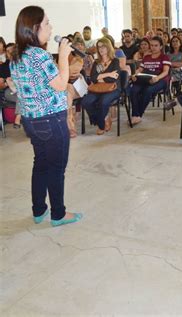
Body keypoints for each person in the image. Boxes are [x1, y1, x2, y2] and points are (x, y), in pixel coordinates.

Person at [10, 6, 82, 227]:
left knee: (40, 164)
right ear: (35, 28)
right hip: (51, 120)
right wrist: (63, 56)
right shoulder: (40, 56)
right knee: (56, 168)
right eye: (47, 24)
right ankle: (58, 214)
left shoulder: (16, 56)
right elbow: (61, 85)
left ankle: (39, 210)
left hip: (32, 121)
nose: (51, 28)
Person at [81, 38, 121, 135]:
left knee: (103, 102)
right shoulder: (96, 62)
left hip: (113, 88)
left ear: (108, 47)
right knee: (86, 102)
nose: (101, 49)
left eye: (103, 46)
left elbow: (113, 79)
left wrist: (100, 78)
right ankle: (104, 119)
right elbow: (93, 78)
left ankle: (101, 126)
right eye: (99, 47)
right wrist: (107, 74)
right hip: (98, 88)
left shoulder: (115, 61)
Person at [130, 36, 170, 124]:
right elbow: (140, 69)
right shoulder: (147, 57)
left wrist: (157, 78)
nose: (153, 47)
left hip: (161, 79)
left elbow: (166, 72)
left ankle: (138, 114)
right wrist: (134, 74)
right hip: (145, 78)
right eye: (151, 45)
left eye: (156, 45)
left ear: (160, 46)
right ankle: (135, 115)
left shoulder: (164, 57)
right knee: (133, 90)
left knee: (148, 90)